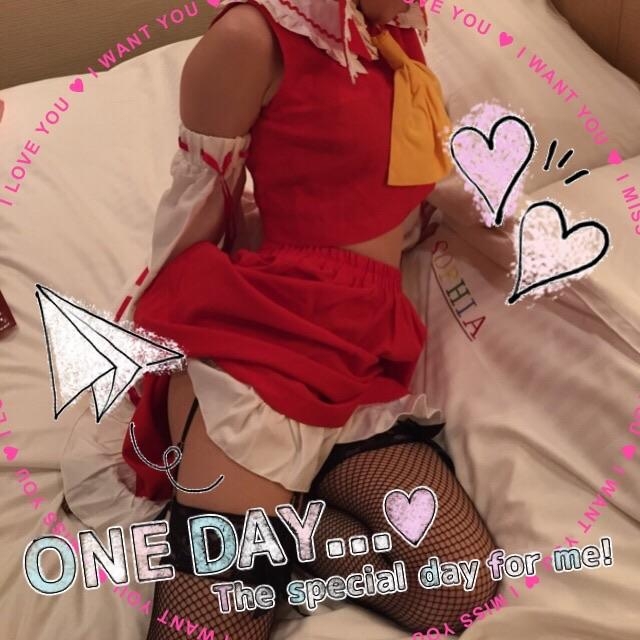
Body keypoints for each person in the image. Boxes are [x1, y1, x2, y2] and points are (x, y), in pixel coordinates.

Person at [67, 1, 499, 638]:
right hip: (265, 341)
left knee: (457, 587)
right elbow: (197, 205)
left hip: (360, 344)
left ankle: (284, 518)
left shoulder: (390, 31)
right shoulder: (251, 38)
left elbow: (387, 184)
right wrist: (162, 352)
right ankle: (242, 494)